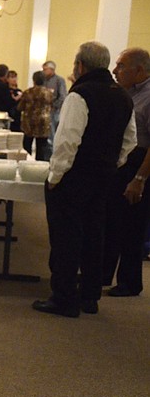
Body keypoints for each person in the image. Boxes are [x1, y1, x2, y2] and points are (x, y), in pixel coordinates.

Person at [32, 41, 136, 318]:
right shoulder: (123, 96)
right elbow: (130, 141)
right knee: (94, 235)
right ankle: (90, 297)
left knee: (67, 238)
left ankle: (64, 298)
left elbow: (67, 142)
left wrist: (55, 177)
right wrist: (112, 164)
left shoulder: (80, 95)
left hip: (74, 179)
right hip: (103, 179)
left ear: (80, 65)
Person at [103, 48, 150, 297]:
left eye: (121, 66)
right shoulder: (128, 93)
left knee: (133, 225)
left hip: (141, 164)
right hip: (127, 161)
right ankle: (104, 273)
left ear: (140, 70)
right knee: (114, 220)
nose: (115, 70)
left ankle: (130, 282)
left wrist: (139, 179)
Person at [17, 71, 53, 161]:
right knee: (41, 148)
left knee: (27, 147)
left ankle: (26, 165)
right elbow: (52, 106)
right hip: (43, 123)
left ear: (34, 80)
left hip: (29, 122)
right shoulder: (49, 93)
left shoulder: (28, 92)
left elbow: (20, 107)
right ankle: (39, 168)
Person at [42, 60, 68, 148]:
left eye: (45, 69)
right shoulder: (43, 80)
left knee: (53, 135)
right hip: (44, 111)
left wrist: (54, 105)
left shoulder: (59, 80)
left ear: (51, 69)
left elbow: (62, 96)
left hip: (55, 111)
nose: (43, 71)